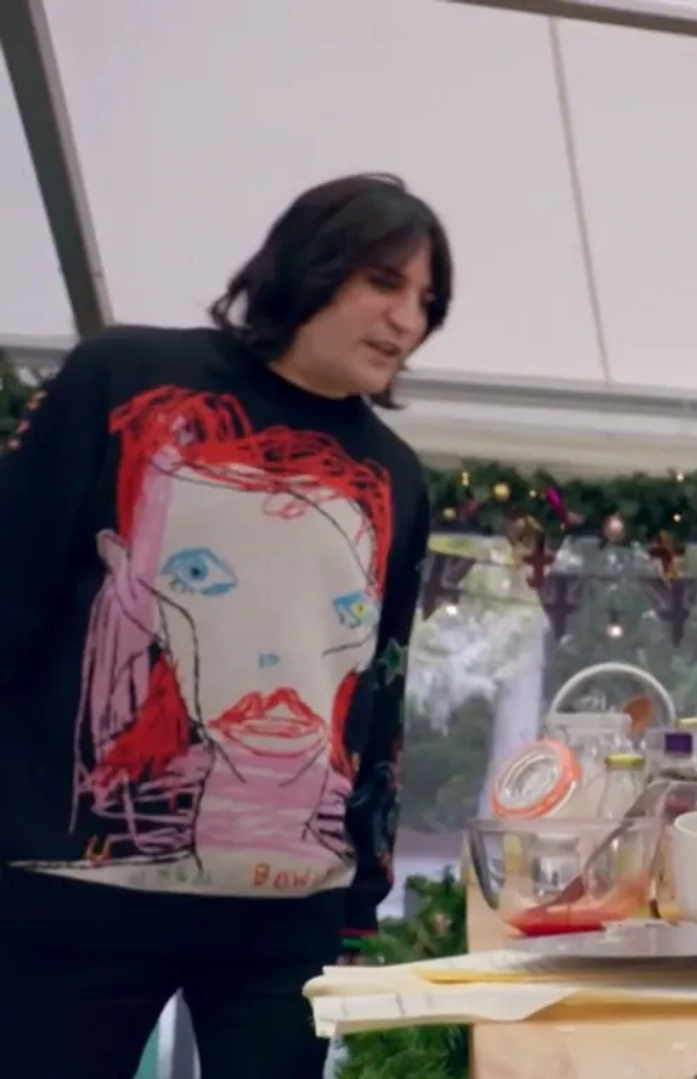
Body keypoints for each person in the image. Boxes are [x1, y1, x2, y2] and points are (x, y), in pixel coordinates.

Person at [0, 174, 446, 1078]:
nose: (407, 320)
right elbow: (10, 598)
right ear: (308, 265)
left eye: (428, 301)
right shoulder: (120, 377)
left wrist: (360, 898)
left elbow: (380, 694)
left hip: (286, 918)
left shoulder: (397, 475)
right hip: (71, 902)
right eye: (384, 283)